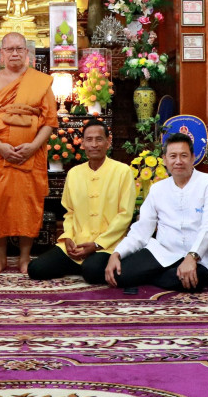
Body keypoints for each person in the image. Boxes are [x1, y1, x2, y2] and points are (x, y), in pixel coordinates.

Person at [0, 31, 57, 273]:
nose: (14, 53)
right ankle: (0, 260)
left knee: (28, 204)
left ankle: (24, 258)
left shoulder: (40, 81)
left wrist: (33, 146)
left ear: (27, 53)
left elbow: (50, 121)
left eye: (19, 49)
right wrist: (0, 146)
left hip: (31, 154)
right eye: (9, 49)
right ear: (1, 54)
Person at [104, 134, 208, 292]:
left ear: (193, 158)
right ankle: (162, 275)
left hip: (199, 257)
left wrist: (192, 256)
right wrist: (117, 254)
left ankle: (154, 277)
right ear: (165, 160)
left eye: (184, 155)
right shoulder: (157, 189)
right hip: (163, 252)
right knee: (119, 274)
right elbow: (141, 229)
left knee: (189, 281)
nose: (178, 161)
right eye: (173, 156)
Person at [27, 120, 135, 283]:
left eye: (99, 139)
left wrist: (97, 244)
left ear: (108, 142)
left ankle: (91, 264)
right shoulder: (74, 173)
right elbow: (69, 212)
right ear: (82, 143)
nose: (94, 144)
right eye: (89, 140)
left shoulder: (122, 171)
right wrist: (68, 237)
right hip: (78, 242)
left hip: (108, 244)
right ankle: (82, 264)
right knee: (35, 269)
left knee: (92, 273)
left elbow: (125, 215)